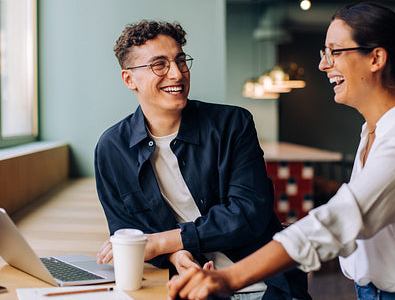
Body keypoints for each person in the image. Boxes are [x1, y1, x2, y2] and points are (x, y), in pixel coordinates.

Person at [167, 2, 395, 300]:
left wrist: (230, 277)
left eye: (334, 52)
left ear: (376, 58)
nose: (323, 64)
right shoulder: (373, 131)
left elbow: (344, 217)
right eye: (323, 53)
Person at [94, 20, 310, 300]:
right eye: (159, 64)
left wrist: (162, 242)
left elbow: (248, 214)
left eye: (180, 60)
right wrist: (175, 256)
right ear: (129, 79)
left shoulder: (233, 124)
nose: (177, 73)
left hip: (264, 286)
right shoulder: (112, 149)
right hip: (188, 289)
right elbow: (129, 235)